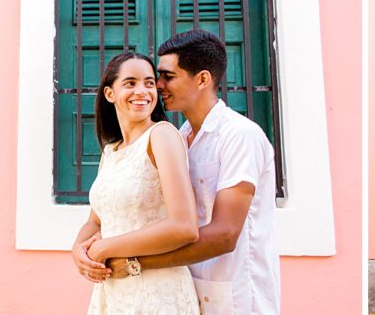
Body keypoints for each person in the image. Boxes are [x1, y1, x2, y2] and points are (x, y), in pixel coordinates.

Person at [84, 29, 282, 314]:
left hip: (236, 296)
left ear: (202, 79)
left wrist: (132, 262)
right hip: (184, 288)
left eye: (167, 77)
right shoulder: (181, 136)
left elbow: (225, 234)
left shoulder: (240, 136)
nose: (158, 86)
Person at [72, 52, 201, 315]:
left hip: (158, 292)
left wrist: (106, 247)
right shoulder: (111, 151)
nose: (142, 91)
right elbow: (97, 221)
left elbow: (185, 226)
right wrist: (78, 249)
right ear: (110, 94)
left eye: (149, 82)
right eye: (130, 83)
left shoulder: (162, 136)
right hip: (113, 293)